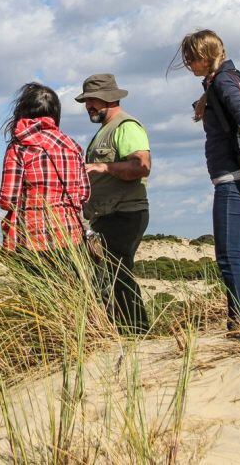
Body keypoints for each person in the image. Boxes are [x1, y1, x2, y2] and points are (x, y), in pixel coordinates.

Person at [177, 29, 240, 331]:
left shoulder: (225, 81)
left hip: (233, 178)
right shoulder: (223, 79)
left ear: (206, 56)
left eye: (192, 58)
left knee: (229, 257)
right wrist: (204, 98)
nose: (188, 64)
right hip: (237, 176)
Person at [75, 74, 152, 334]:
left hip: (124, 213)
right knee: (111, 275)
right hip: (107, 215)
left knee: (116, 274)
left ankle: (136, 332)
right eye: (86, 101)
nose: (88, 106)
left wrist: (102, 166)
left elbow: (142, 166)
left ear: (109, 97)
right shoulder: (105, 130)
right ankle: (126, 331)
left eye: (92, 100)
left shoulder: (126, 126)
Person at [0, 83, 91, 270]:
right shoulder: (73, 146)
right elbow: (84, 194)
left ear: (24, 111)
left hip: (32, 241)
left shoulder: (20, 148)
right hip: (71, 238)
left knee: (32, 298)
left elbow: (7, 200)